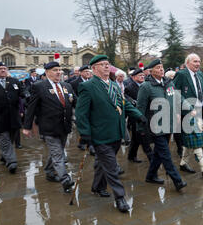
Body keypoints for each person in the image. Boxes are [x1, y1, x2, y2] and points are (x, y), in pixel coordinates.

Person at [75, 55, 147, 213]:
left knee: (104, 163)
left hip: (116, 132)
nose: (107, 67)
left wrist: (138, 115)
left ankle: (97, 187)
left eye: (108, 64)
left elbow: (124, 103)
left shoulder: (114, 85)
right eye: (103, 65)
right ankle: (120, 197)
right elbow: (81, 113)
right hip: (100, 134)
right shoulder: (88, 87)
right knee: (112, 166)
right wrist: (85, 133)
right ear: (94, 69)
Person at [23, 61, 76, 193]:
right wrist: (27, 126)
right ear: (47, 73)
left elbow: (76, 102)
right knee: (58, 154)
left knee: (57, 152)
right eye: (55, 70)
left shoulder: (67, 86)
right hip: (49, 127)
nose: (58, 72)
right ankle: (65, 179)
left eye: (59, 70)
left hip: (64, 126)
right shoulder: (39, 86)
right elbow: (31, 108)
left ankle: (48, 171)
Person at [136, 59, 187, 191]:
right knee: (166, 154)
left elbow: (176, 98)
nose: (161, 69)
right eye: (158, 67)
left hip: (169, 123)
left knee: (159, 153)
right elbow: (140, 108)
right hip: (155, 125)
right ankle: (177, 180)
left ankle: (151, 175)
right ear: (151, 71)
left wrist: (178, 112)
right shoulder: (146, 86)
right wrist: (140, 127)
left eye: (162, 67)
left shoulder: (169, 83)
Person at [125, 69, 154, 163]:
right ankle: (151, 157)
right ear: (133, 77)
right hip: (135, 116)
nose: (142, 77)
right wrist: (133, 102)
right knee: (142, 136)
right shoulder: (129, 87)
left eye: (143, 75)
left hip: (146, 114)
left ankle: (131, 156)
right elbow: (125, 97)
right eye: (139, 75)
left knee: (136, 138)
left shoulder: (146, 86)